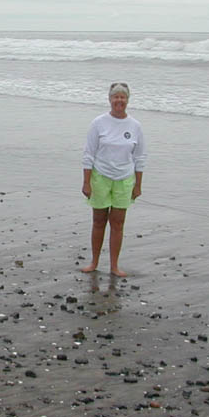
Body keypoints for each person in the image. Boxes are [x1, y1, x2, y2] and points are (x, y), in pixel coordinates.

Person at [80, 81, 147, 276]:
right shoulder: (98, 123)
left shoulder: (135, 126)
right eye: (116, 96)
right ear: (110, 99)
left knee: (118, 223)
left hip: (124, 179)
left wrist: (138, 185)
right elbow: (88, 154)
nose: (119, 100)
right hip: (100, 176)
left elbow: (140, 157)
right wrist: (86, 181)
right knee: (99, 221)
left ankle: (114, 266)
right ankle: (93, 262)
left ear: (127, 100)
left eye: (123, 97)